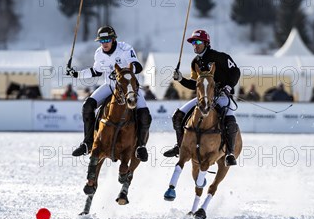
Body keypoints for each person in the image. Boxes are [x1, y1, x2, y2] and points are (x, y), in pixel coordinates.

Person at [65, 25, 152, 162]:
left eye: (107, 40)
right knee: (87, 106)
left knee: (144, 113)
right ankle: (87, 143)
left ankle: (140, 146)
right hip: (110, 86)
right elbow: (96, 71)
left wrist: (123, 71)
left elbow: (138, 66)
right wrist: (77, 74)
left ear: (113, 40)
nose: (104, 43)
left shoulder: (125, 49)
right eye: (101, 41)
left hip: (129, 88)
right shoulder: (99, 53)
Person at [163, 29, 241, 166]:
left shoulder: (219, 56)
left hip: (222, 96)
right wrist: (181, 79)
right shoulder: (195, 62)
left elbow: (235, 71)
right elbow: (196, 85)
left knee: (230, 121)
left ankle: (229, 153)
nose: (195, 45)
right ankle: (179, 145)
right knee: (178, 115)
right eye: (193, 42)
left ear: (206, 43)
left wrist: (228, 86)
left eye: (198, 42)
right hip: (203, 97)